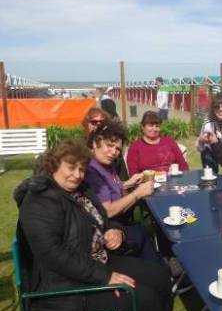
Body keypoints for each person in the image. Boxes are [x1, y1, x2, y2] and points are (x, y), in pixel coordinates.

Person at [14, 139, 173, 311]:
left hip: (97, 261)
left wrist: (116, 230)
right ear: (54, 166)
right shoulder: (39, 201)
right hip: (66, 289)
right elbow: (53, 255)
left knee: (161, 276)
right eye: (71, 168)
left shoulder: (80, 190)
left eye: (81, 169)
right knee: (146, 299)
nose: (77, 175)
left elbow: (104, 219)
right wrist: (104, 277)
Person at [85, 121, 161, 262]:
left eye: (118, 149)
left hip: (119, 223)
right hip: (109, 230)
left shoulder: (107, 165)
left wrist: (126, 183)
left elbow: (110, 188)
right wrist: (137, 193)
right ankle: (162, 271)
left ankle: (162, 262)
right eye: (109, 145)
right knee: (142, 232)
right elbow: (107, 210)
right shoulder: (93, 172)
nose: (113, 152)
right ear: (96, 143)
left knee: (146, 230)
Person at [127, 111, 189, 175]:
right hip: (147, 182)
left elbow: (183, 166)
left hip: (172, 180)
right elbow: (133, 174)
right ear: (143, 127)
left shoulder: (169, 142)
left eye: (157, 126)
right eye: (150, 126)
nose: (154, 129)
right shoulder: (135, 147)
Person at [81, 107, 129, 181]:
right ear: (86, 124)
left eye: (102, 122)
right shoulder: (79, 149)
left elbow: (123, 177)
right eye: (94, 122)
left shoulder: (115, 149)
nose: (98, 125)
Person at [196, 93, 222, 174]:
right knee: (206, 152)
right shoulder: (208, 123)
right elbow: (200, 148)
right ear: (213, 109)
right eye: (217, 107)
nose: (220, 109)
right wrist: (201, 141)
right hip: (213, 154)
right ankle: (210, 177)